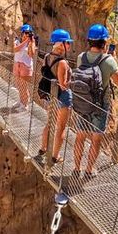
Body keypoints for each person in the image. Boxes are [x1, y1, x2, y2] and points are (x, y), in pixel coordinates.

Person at [71, 24, 118, 179]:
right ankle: (89, 170)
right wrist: (113, 60)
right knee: (96, 138)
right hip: (100, 105)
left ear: (89, 41)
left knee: (80, 136)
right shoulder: (109, 61)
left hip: (82, 102)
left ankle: (76, 168)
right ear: (104, 43)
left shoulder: (82, 57)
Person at [38, 29, 73, 165]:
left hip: (50, 96)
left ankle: (43, 148)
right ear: (61, 44)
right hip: (62, 97)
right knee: (61, 127)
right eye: (68, 43)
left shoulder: (47, 57)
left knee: (49, 122)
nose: (69, 45)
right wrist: (73, 80)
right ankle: (55, 156)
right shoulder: (62, 62)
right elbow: (63, 85)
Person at [13, 24, 37, 109]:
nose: (27, 34)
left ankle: (25, 104)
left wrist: (30, 42)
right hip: (17, 65)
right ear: (22, 33)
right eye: (25, 32)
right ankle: (21, 101)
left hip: (26, 67)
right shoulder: (17, 41)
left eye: (28, 33)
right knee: (19, 85)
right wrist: (25, 42)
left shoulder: (31, 42)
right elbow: (15, 49)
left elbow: (31, 54)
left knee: (24, 86)